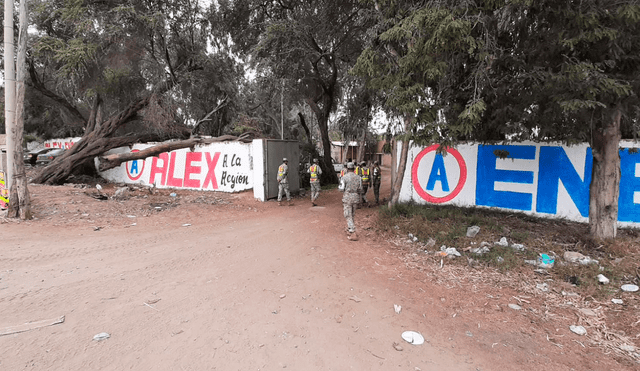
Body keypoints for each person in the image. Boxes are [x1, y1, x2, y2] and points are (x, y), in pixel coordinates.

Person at [339, 162, 363, 241]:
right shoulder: (358, 177)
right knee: (352, 214)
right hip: (355, 197)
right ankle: (350, 229)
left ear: (347, 168)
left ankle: (352, 232)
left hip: (347, 197)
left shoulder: (344, 177)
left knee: (347, 215)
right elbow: (360, 189)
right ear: (354, 168)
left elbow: (341, 189)